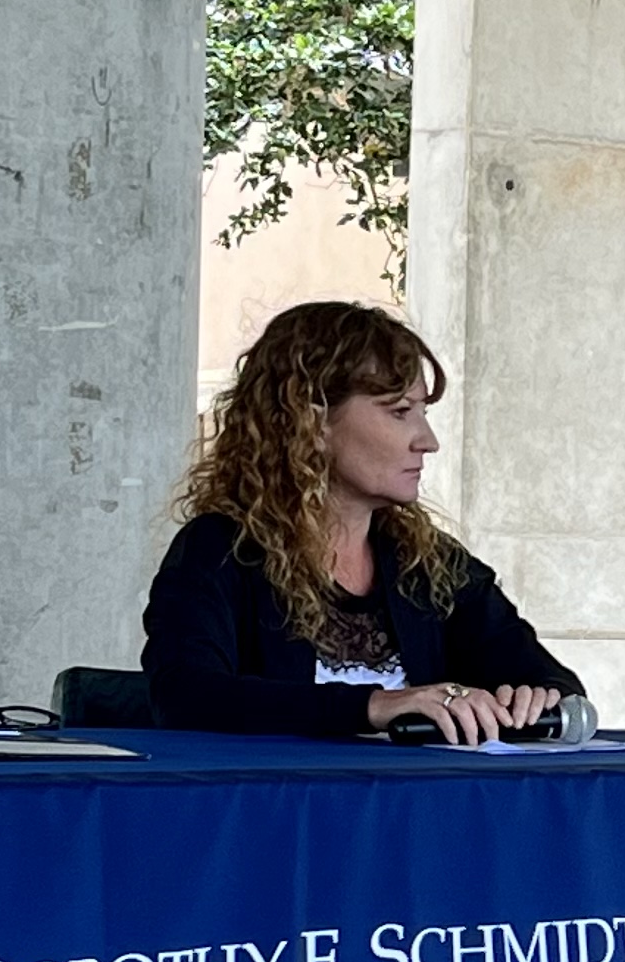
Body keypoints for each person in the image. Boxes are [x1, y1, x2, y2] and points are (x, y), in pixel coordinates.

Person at [143, 301, 580, 742]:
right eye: (400, 411)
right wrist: (372, 706)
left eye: (423, 413)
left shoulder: (429, 564)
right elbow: (184, 696)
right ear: (312, 420)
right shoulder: (221, 550)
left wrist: (535, 697)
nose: (428, 441)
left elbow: (553, 683)